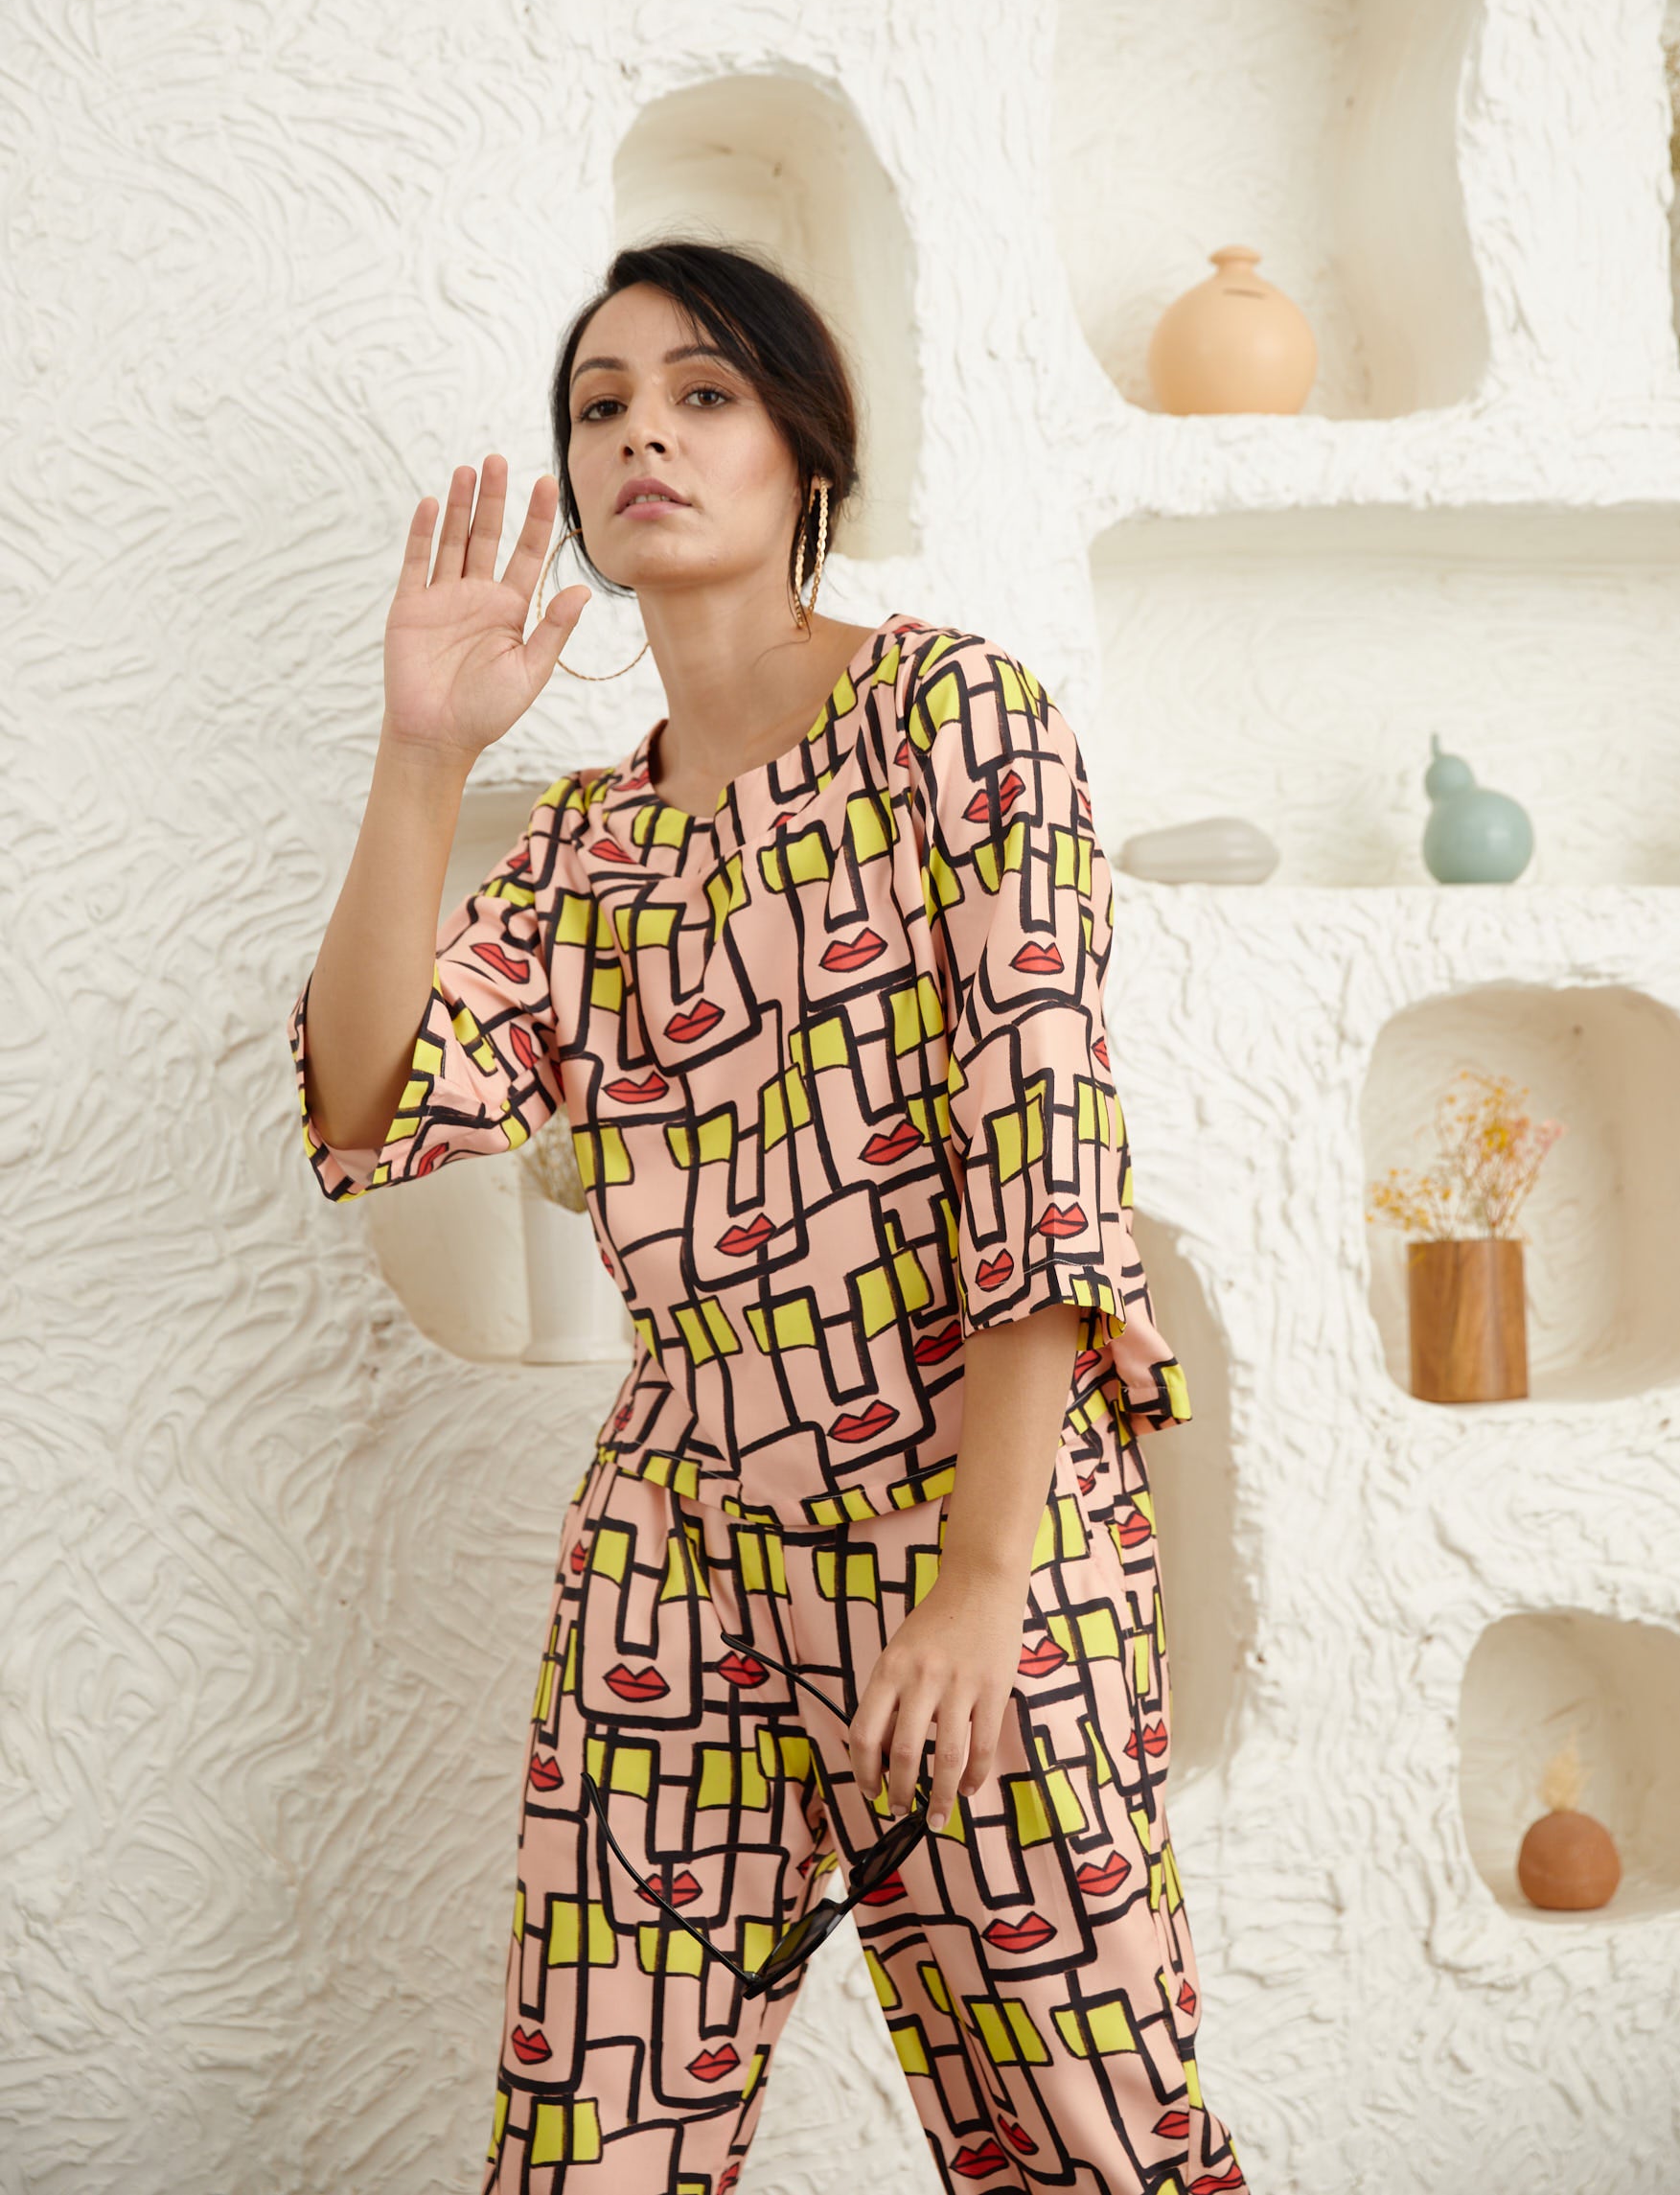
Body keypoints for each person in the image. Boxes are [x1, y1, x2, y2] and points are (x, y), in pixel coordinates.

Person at [287, 240, 1251, 2195]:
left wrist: (981, 1577)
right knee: (592, 2141)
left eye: (703, 391)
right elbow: (371, 1103)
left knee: (1089, 2137)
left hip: (978, 1513)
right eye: (602, 405)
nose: (641, 431)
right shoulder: (586, 849)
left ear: (807, 448)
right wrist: (425, 754)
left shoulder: (956, 721)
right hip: (680, 1544)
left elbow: (1041, 1150)